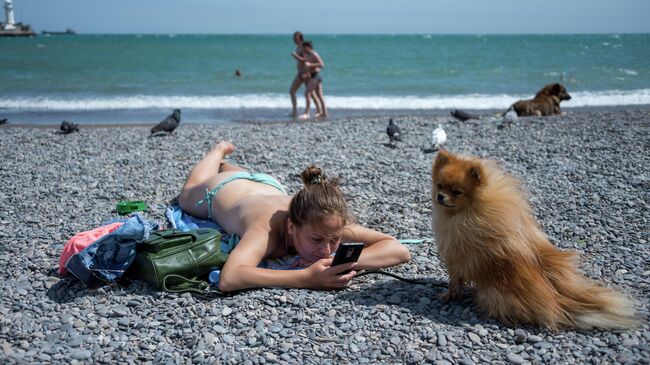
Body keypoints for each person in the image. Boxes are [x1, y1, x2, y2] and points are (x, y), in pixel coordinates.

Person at [178, 141, 411, 292]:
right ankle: (219, 152)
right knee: (187, 194)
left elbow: (398, 249)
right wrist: (306, 278)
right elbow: (230, 278)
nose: (327, 249)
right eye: (317, 240)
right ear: (291, 227)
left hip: (269, 185)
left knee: (246, 177)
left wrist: (340, 263)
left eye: (334, 240)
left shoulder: (324, 220)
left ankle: (228, 164)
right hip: (223, 189)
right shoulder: (264, 231)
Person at [289, 32, 322, 118]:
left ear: (300, 38)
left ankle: (318, 110)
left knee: (310, 93)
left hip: (305, 73)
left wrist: (296, 56)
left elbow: (305, 60)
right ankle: (294, 111)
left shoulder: (303, 47)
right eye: (293, 38)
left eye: (295, 38)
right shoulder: (298, 47)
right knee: (292, 91)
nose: (294, 40)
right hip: (300, 73)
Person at [299, 41, 327, 119]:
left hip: (316, 76)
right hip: (311, 76)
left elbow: (322, 64)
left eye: (304, 47)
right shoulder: (305, 54)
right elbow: (305, 65)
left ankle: (306, 113)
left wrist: (310, 65)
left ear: (308, 47)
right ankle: (324, 113)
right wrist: (305, 72)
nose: (302, 49)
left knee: (307, 93)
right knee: (319, 95)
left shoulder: (314, 54)